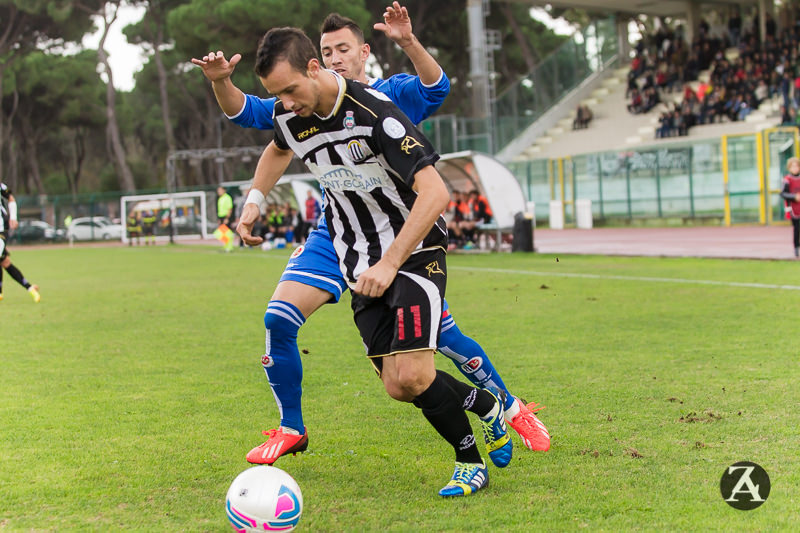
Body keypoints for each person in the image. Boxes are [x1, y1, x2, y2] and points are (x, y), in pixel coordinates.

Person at [192, 4, 549, 465]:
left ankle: (511, 408)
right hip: (337, 233)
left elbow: (437, 87)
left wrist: (407, 41)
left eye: (343, 49)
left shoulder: (386, 98)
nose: (336, 56)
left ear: (362, 53)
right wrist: (253, 198)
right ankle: (291, 428)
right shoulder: (295, 101)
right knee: (280, 319)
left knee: (438, 340)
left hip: (402, 233)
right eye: (327, 49)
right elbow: (260, 126)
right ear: (314, 58)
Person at [241, 26, 512, 497]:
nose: (284, 103)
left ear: (314, 69)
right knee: (397, 385)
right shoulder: (291, 116)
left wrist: (390, 262)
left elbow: (437, 191)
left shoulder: (376, 114)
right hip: (356, 260)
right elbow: (278, 147)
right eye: (275, 96)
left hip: (413, 250)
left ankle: (470, 462)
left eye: (289, 90)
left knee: (414, 373)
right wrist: (253, 201)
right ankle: (484, 403)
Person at [0, 182, 41, 303]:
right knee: (5, 262)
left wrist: (13, 217)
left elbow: (10, 198)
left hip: (1, 229)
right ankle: (30, 288)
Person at [781, 157, 800, 258]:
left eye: (797, 166)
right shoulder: (787, 180)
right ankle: (796, 248)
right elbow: (783, 193)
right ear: (789, 168)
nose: (795, 168)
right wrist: (794, 197)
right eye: (793, 166)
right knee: (796, 229)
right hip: (794, 208)